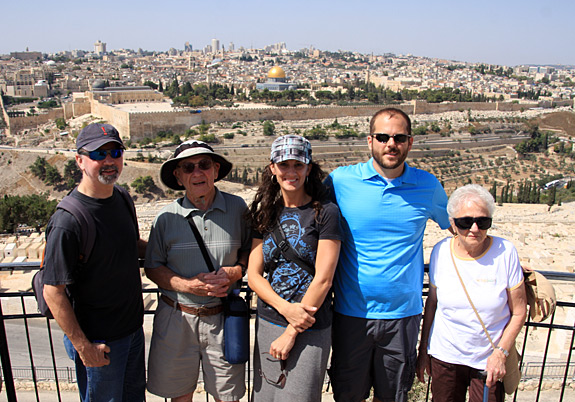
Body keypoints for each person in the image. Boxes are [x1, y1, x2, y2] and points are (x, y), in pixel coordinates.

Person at [325, 107, 452, 402]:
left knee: (393, 396)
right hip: (351, 314)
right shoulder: (340, 182)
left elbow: (459, 230)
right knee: (348, 396)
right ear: (370, 141)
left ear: (410, 141)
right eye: (383, 137)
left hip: (403, 317)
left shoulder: (428, 186)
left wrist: (502, 256)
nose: (390, 144)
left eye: (398, 137)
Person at [43, 123, 147, 402]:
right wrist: (83, 346)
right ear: (80, 160)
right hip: (100, 342)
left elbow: (131, 246)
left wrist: (178, 253)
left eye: (115, 152)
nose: (109, 161)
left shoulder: (122, 197)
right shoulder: (68, 221)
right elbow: (53, 291)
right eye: (98, 155)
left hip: (132, 332)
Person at [145, 140, 251, 402]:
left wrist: (236, 272)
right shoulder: (165, 218)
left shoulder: (237, 209)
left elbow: (252, 251)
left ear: (215, 170)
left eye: (204, 165)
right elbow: (152, 267)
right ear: (178, 177)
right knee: (180, 396)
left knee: (228, 397)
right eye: (188, 167)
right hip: (177, 318)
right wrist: (187, 285)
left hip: (223, 319)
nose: (197, 173)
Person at [247, 135, 342, 402]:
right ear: (272, 168)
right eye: (284, 165)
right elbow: (253, 275)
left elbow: (323, 279)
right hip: (269, 320)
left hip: (310, 326)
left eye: (298, 165)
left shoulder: (326, 213)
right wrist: (286, 309)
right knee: (265, 397)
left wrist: (292, 331)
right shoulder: (264, 212)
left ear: (308, 169)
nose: (291, 172)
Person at [416, 184, 527, 402]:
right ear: (452, 224)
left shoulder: (506, 252)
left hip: (488, 360)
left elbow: (519, 312)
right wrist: (423, 351)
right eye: (465, 222)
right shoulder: (441, 251)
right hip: (445, 356)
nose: (474, 229)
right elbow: (433, 304)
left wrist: (500, 354)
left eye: (482, 222)